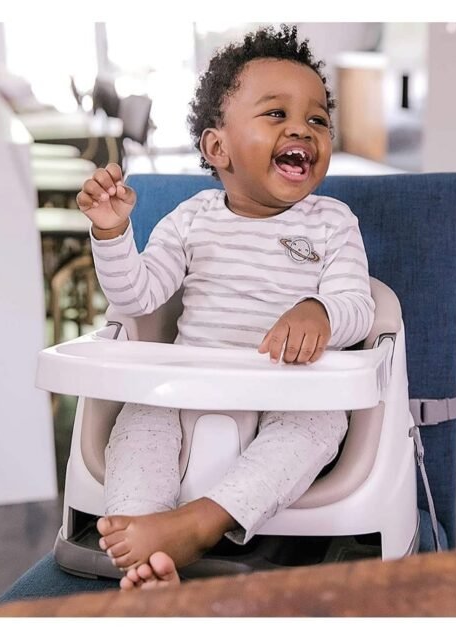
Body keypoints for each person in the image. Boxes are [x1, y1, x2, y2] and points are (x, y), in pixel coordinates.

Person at [76, 24, 375, 591]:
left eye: (317, 120)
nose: (301, 129)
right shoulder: (192, 218)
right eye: (276, 114)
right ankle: (144, 545)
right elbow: (137, 298)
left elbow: (359, 305)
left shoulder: (332, 223)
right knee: (139, 422)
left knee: (317, 427)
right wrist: (112, 234)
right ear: (218, 148)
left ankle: (198, 525)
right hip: (188, 387)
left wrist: (320, 311)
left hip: (288, 392)